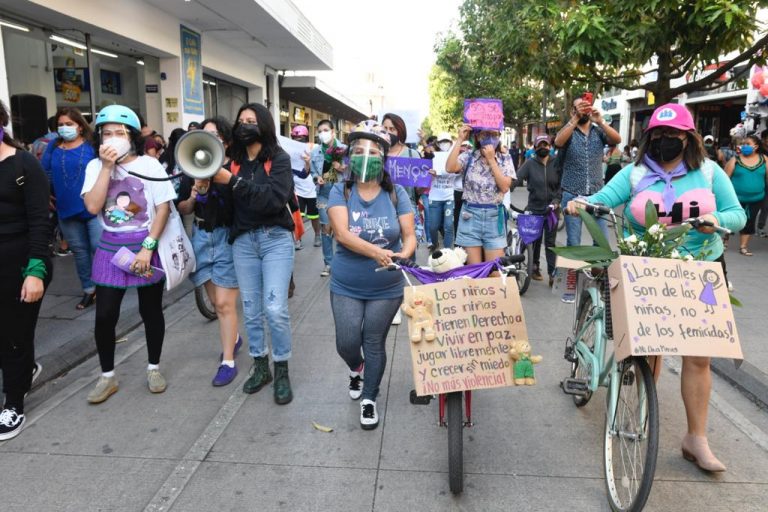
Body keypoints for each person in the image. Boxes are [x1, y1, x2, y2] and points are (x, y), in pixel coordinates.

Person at [566, 103, 746, 473]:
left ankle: (696, 438)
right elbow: (601, 200)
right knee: (648, 352)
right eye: (658, 136)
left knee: (698, 358)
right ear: (649, 138)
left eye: (674, 135)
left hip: (698, 273)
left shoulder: (710, 173)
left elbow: (738, 214)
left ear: (689, 138)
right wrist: (580, 204)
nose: (666, 142)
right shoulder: (633, 174)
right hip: (645, 271)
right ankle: (639, 416)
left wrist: (714, 219)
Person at [81, 105, 176, 404]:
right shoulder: (95, 167)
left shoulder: (150, 166)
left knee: (151, 311)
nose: (111, 138)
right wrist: (107, 168)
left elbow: (163, 208)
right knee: (105, 315)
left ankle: (153, 367)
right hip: (110, 249)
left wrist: (148, 248)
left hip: (146, 246)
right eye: (105, 133)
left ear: (132, 136)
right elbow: (93, 207)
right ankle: (107, 376)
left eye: (118, 133)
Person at [327, 120, 415, 429]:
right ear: (350, 155)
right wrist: (378, 252)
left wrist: (405, 253)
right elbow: (342, 234)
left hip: (386, 286)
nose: (366, 155)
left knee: (374, 340)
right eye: (360, 150)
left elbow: (409, 234)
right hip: (346, 282)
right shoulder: (342, 189)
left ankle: (369, 398)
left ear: (384, 158)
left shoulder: (396, 193)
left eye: (374, 151)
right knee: (347, 341)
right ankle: (356, 366)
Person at [211, 103, 295, 404]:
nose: (245, 125)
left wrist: (232, 182)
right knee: (252, 307)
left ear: (264, 125)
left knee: (275, 308)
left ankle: (281, 367)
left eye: (252, 120)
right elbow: (225, 206)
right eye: (241, 121)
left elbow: (273, 199)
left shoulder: (279, 160)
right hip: (244, 242)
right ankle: (261, 365)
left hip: (275, 240)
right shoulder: (231, 162)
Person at [0, 101, 52, 440]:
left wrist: (35, 271)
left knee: (15, 334)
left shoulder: (24, 164)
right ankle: (25, 370)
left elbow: (41, 222)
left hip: (21, 259)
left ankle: (14, 402)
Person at [177, 116, 242, 387]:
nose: (209, 138)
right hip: (202, 237)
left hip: (227, 238)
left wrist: (227, 183)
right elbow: (183, 209)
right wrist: (195, 192)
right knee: (216, 304)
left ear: (225, 142)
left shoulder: (235, 170)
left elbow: (243, 205)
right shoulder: (192, 167)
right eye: (205, 133)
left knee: (226, 304)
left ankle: (228, 361)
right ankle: (235, 338)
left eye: (215, 134)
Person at [554, 96, 621, 302]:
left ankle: (599, 286)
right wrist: (574, 119)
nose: (583, 111)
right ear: (573, 111)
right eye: (578, 108)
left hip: (596, 195)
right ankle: (571, 286)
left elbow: (616, 140)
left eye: (585, 107)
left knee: (600, 241)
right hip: (572, 193)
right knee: (573, 243)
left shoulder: (598, 131)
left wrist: (600, 120)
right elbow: (557, 141)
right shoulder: (569, 131)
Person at [41, 107, 101, 309]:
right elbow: (43, 172)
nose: (64, 128)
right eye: (60, 125)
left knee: (99, 248)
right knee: (80, 252)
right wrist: (45, 193)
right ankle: (89, 290)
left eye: (69, 124)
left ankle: (106, 286)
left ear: (80, 127)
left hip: (93, 207)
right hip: (65, 209)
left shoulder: (93, 146)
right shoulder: (53, 147)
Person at [446, 124, 515, 264]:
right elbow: (450, 167)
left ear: (499, 136)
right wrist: (459, 140)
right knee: (475, 271)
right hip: (470, 216)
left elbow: (505, 186)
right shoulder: (468, 157)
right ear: (477, 137)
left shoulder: (504, 158)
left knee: (494, 271)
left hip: (494, 218)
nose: (490, 139)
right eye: (485, 134)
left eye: (494, 134)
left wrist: (491, 160)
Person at [515, 135, 561, 285]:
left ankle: (552, 272)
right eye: (540, 145)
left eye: (546, 145)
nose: (543, 148)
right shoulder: (529, 164)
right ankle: (534, 268)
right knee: (535, 240)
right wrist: (504, 187)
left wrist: (557, 201)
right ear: (535, 148)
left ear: (550, 147)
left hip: (552, 210)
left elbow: (562, 185)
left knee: (550, 242)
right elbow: (516, 178)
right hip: (534, 208)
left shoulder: (557, 163)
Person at [310, 119, 346, 277]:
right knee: (326, 228)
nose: (322, 133)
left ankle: (343, 261)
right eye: (320, 131)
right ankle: (328, 263)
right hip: (323, 193)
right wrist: (316, 178)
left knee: (341, 228)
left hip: (341, 192)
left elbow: (352, 173)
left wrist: (343, 169)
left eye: (326, 130)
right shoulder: (315, 152)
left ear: (333, 132)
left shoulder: (345, 150)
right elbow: (312, 173)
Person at [724, 134, 766, 256]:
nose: (744, 146)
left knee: (749, 221)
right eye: (743, 144)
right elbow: (725, 180)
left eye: (748, 144)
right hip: (735, 199)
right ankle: (724, 242)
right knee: (731, 220)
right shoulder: (735, 160)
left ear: (756, 146)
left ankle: (743, 247)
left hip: (757, 198)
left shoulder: (764, 160)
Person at [290, 124, 320, 250]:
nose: (298, 140)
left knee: (314, 217)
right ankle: (298, 239)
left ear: (306, 137)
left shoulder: (314, 148)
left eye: (300, 137)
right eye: (295, 137)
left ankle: (317, 235)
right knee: (298, 216)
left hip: (312, 189)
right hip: (298, 189)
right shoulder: (289, 149)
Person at [427, 135, 455, 250]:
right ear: (438, 144)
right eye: (442, 141)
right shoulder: (432, 157)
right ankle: (435, 244)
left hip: (449, 197)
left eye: (447, 141)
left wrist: (438, 172)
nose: (445, 143)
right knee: (433, 227)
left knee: (448, 226)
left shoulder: (454, 156)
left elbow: (455, 171)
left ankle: (447, 250)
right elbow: (423, 169)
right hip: (434, 197)